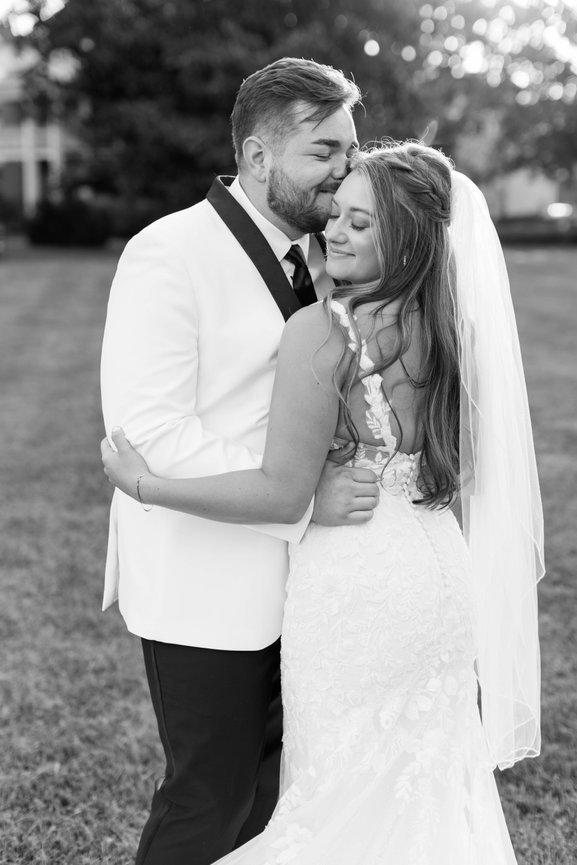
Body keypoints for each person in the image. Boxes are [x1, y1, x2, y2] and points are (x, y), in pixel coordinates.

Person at [102, 141, 545, 863]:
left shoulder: (323, 331)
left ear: (404, 237)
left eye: (359, 223)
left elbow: (280, 488)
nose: (332, 231)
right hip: (437, 577)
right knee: (423, 785)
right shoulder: (451, 331)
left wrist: (147, 484)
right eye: (335, 214)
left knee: (332, 791)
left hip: (356, 589)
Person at [100, 58, 381, 865]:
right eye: (323, 151)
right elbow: (147, 433)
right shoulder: (169, 253)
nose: (346, 169)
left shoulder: (315, 256)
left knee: (265, 801)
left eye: (350, 150)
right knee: (209, 797)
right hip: (203, 580)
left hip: (291, 583)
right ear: (258, 158)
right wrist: (297, 493)